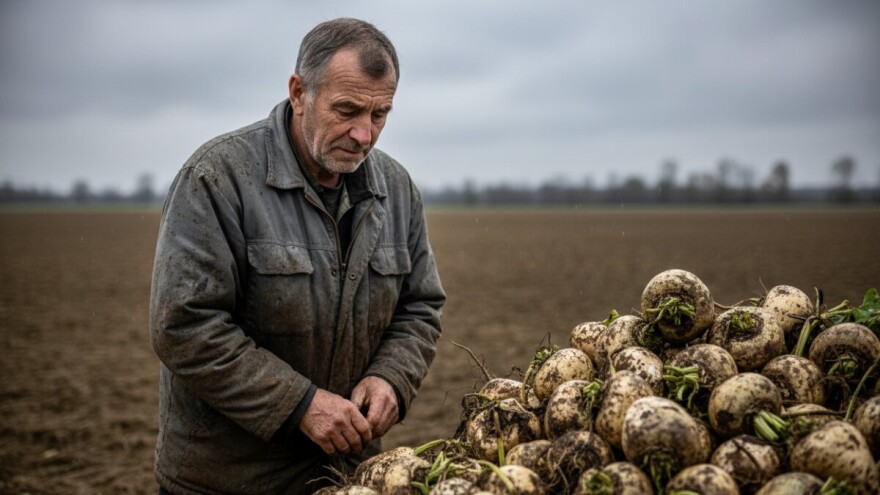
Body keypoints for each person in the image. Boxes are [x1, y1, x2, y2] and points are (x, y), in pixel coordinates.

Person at [149, 18, 445, 494]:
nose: (364, 135)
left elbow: (421, 306)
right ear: (299, 92)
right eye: (347, 110)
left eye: (380, 114)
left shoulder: (397, 191)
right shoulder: (218, 179)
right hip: (227, 481)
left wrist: (392, 377)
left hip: (345, 477)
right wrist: (300, 404)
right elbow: (183, 325)